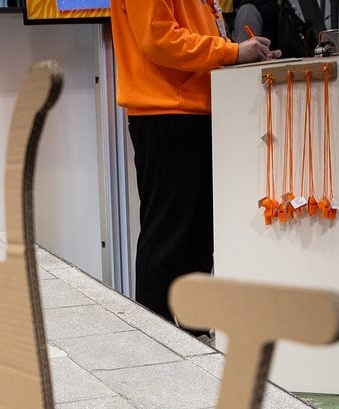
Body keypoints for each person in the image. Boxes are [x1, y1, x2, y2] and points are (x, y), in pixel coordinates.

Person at [111, 0, 279, 326]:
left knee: (198, 237)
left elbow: (196, 35)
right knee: (167, 238)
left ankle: (193, 333)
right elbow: (158, 39)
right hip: (165, 113)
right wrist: (231, 53)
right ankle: (153, 341)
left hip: (197, 110)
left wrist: (238, 54)